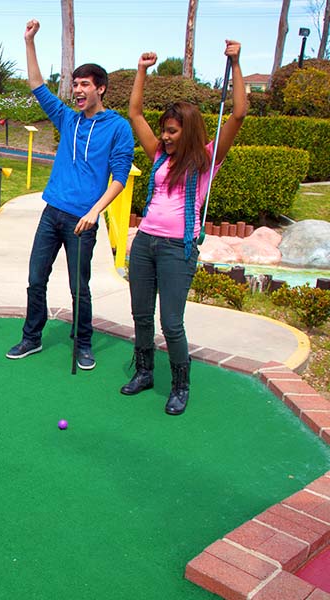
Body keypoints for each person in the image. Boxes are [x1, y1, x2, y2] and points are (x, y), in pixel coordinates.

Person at [122, 42, 247, 415]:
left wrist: (236, 63)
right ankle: (144, 372)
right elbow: (134, 113)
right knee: (141, 315)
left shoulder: (206, 160)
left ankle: (180, 384)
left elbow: (238, 113)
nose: (165, 137)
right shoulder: (159, 155)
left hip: (178, 247)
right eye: (164, 130)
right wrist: (142, 70)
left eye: (173, 131)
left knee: (171, 322)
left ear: (188, 131)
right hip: (145, 243)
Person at [6, 19, 135, 370]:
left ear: (101, 89)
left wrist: (95, 211)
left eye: (84, 85)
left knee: (79, 287)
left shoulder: (119, 128)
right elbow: (36, 84)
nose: (77, 90)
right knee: (36, 279)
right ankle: (31, 338)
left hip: (83, 219)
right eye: (75, 84)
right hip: (52, 213)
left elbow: (120, 177)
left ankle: (83, 344)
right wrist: (29, 41)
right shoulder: (67, 118)